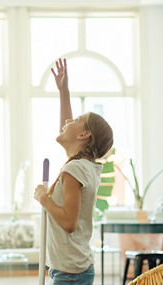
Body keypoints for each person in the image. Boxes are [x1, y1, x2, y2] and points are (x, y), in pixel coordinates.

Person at [34, 58, 114, 284]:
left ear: (83, 135)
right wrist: (63, 91)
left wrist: (43, 198)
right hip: (72, 269)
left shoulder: (74, 169)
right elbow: (66, 126)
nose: (68, 122)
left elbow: (69, 222)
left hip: (70, 274)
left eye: (77, 120)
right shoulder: (82, 165)